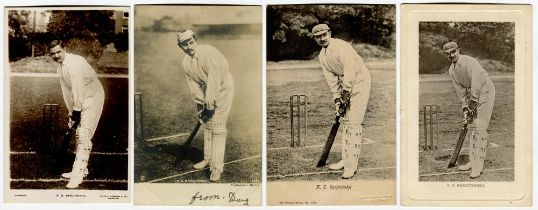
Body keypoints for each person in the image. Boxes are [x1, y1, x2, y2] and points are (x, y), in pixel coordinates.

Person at [312, 24, 371, 179]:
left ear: (329, 34)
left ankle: (352, 165)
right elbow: (332, 81)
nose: (322, 39)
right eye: (318, 37)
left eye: (324, 35)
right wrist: (338, 100)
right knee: (345, 122)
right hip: (346, 84)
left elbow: (350, 72)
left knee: (354, 123)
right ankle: (345, 160)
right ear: (315, 39)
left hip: (360, 81)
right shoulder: (322, 56)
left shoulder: (342, 47)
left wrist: (345, 95)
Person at [177, 29, 234, 182]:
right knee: (207, 124)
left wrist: (209, 104)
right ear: (180, 46)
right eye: (184, 44)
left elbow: (215, 80)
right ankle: (208, 158)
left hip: (222, 89)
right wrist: (200, 106)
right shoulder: (186, 62)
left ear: (196, 41)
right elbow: (194, 87)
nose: (189, 47)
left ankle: (216, 168)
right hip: (207, 90)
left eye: (191, 42)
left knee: (218, 126)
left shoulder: (207, 53)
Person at [49, 40, 105, 188]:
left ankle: (78, 174)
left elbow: (78, 88)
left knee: (84, 134)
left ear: (64, 49)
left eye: (58, 52)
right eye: (53, 54)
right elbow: (67, 92)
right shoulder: (60, 68)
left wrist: (77, 110)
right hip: (81, 97)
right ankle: (82, 168)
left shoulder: (73, 63)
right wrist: (71, 113)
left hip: (92, 95)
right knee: (78, 133)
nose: (56, 55)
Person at [443, 41, 495, 179]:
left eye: (453, 52)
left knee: (480, 127)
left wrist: (473, 101)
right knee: (472, 127)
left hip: (485, 91)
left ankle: (478, 166)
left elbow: (477, 82)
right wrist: (465, 107)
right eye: (447, 54)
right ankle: (472, 161)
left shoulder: (469, 62)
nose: (451, 55)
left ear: (458, 50)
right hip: (474, 94)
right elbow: (460, 92)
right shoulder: (451, 71)